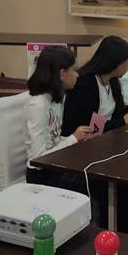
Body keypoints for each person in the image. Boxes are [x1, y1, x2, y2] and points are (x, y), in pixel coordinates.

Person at [62, 36, 128, 137]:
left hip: (107, 136)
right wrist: (123, 121)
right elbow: (89, 128)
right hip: (86, 141)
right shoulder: (85, 84)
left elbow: (120, 110)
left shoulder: (113, 80)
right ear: (117, 62)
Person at [25, 46, 93, 186]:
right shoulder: (38, 105)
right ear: (62, 73)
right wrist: (73, 138)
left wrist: (76, 138)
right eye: (74, 70)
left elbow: (53, 139)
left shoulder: (57, 98)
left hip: (54, 164)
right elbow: (38, 159)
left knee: (92, 168)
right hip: (41, 175)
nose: (77, 75)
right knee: (90, 180)